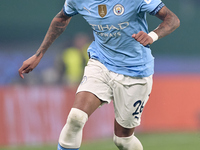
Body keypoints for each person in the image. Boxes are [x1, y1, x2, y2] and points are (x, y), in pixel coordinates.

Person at [18, 0, 180, 149]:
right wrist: (38, 55)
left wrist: (152, 36)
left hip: (135, 71)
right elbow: (61, 19)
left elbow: (172, 19)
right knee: (76, 118)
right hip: (101, 63)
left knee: (122, 140)